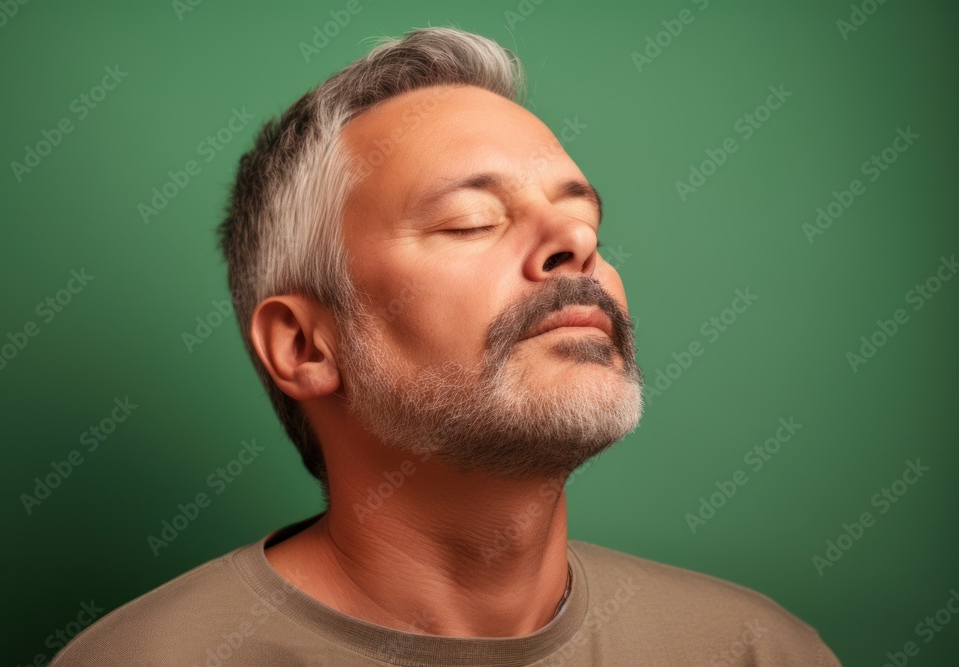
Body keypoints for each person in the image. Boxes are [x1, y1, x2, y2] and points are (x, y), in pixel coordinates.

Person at [51, 27, 841, 665]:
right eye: (471, 221)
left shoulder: (755, 651)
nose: (575, 243)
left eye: (588, 222)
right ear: (304, 345)